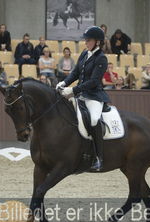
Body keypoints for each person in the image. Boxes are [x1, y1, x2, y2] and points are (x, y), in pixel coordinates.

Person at [57, 26, 110, 171]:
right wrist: (64, 82)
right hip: (80, 94)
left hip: (94, 95)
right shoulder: (84, 54)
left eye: (89, 40)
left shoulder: (101, 58)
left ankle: (99, 158)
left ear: (97, 42)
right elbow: (75, 73)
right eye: (86, 39)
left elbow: (94, 81)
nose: (85, 42)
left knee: (93, 119)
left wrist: (73, 90)